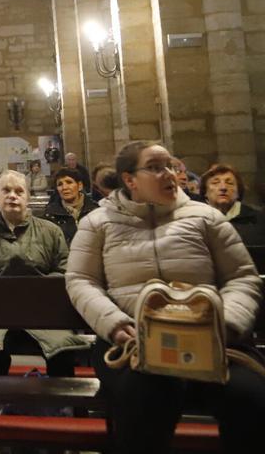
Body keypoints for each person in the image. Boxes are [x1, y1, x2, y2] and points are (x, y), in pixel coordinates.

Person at [67, 141, 265, 453]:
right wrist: (114, 323)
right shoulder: (98, 223)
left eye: (171, 166)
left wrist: (225, 323)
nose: (169, 174)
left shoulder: (205, 218)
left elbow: (241, 275)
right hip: (134, 340)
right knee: (146, 393)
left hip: (211, 339)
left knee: (249, 397)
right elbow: (81, 280)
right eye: (156, 167)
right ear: (130, 180)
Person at [0, 171, 86, 379]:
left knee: (62, 352)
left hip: (43, 315)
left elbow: (65, 271)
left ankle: (67, 407)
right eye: (6, 190)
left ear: (27, 197)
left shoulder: (50, 231)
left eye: (19, 191)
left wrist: (37, 289)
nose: (13, 195)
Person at [201, 163, 265, 246]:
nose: (223, 187)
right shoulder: (195, 221)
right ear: (205, 191)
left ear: (238, 192)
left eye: (230, 183)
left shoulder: (259, 220)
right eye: (215, 183)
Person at [42, 167, 99, 244]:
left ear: (80, 186)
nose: (64, 187)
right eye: (60, 184)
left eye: (69, 182)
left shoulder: (95, 211)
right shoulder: (49, 215)